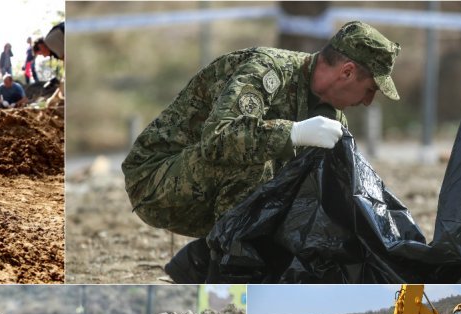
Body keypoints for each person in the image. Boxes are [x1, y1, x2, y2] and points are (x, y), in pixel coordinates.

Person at [122, 21, 400, 241]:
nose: (367, 102)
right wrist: (294, 134)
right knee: (253, 160)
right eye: (370, 90)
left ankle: (246, 254)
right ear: (348, 72)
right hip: (155, 182)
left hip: (206, 190)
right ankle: (232, 260)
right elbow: (218, 139)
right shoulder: (268, 69)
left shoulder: (330, 116)